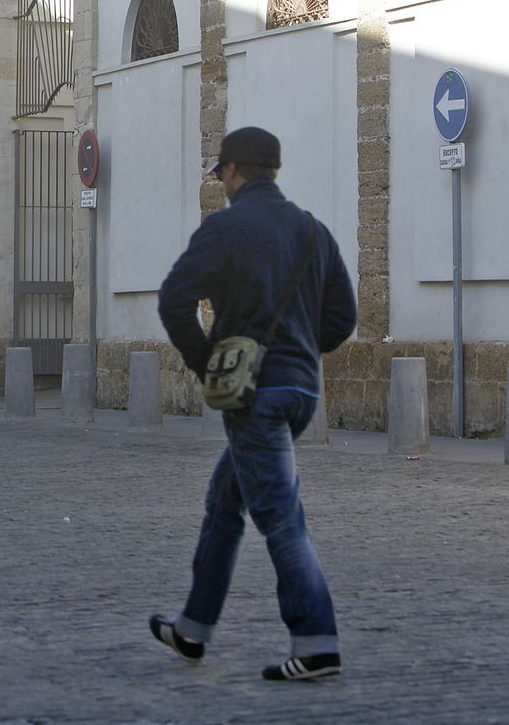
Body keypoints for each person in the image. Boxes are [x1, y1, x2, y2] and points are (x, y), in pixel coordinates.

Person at [150, 126, 357, 682]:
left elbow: (173, 301)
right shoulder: (314, 232)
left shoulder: (224, 229)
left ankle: (316, 643)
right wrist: (300, 350)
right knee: (225, 502)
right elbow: (343, 320)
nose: (222, 184)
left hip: (254, 394)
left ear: (235, 172)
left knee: (280, 517)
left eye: (222, 175)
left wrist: (206, 360)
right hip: (302, 389)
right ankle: (193, 629)